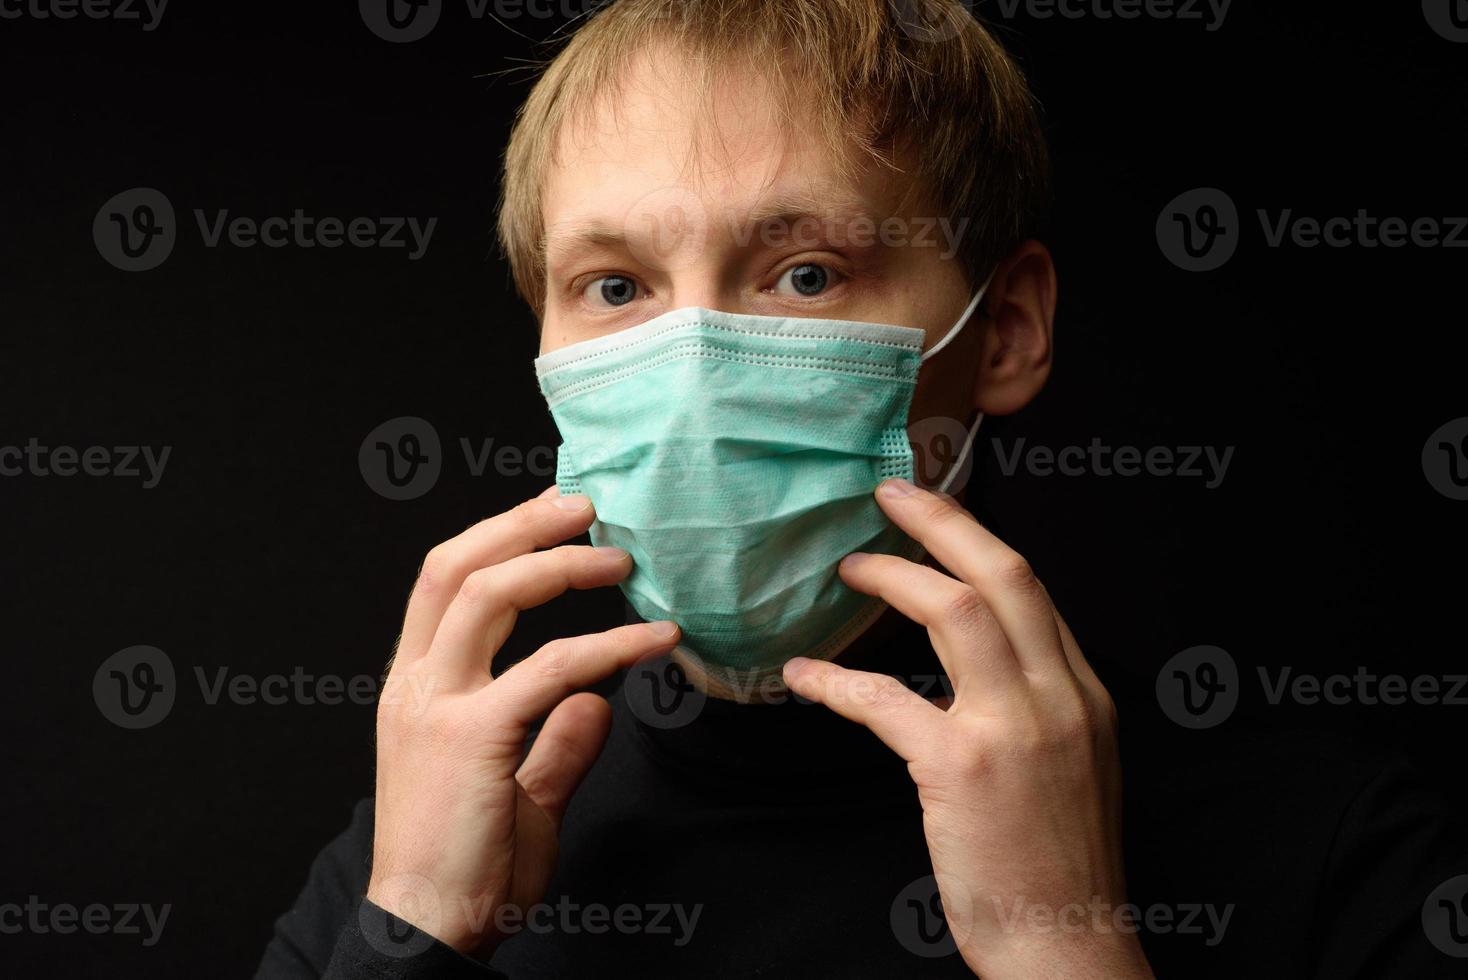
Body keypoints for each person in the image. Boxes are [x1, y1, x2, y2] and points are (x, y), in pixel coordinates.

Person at [257, 1, 1463, 976]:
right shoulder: (410, 850)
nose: (691, 373)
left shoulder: (1333, 857)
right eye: (616, 286)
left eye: (804, 271)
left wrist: (1064, 949)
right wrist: (410, 929)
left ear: (1007, 332)